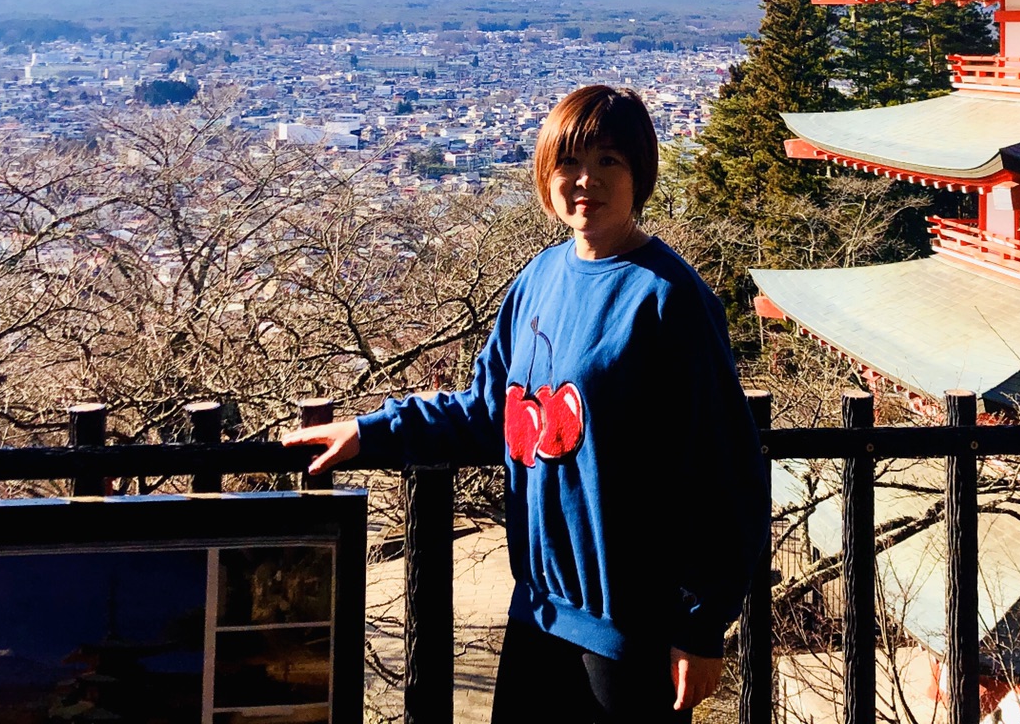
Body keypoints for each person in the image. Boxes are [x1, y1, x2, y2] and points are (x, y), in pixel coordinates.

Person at [286, 83, 766, 722]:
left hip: (629, 625)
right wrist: (372, 432)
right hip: (538, 607)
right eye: (567, 163)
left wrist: (702, 624)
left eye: (608, 162)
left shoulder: (668, 300)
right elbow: (492, 410)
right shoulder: (539, 279)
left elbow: (723, 469)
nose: (584, 181)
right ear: (546, 176)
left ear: (640, 174)